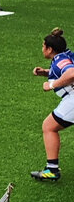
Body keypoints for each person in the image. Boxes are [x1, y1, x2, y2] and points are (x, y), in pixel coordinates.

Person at [31, 28, 74, 182]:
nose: (42, 49)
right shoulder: (65, 55)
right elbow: (63, 70)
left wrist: (52, 85)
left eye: (43, 46)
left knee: (49, 126)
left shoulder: (61, 61)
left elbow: (71, 73)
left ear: (50, 49)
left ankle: (52, 170)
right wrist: (46, 72)